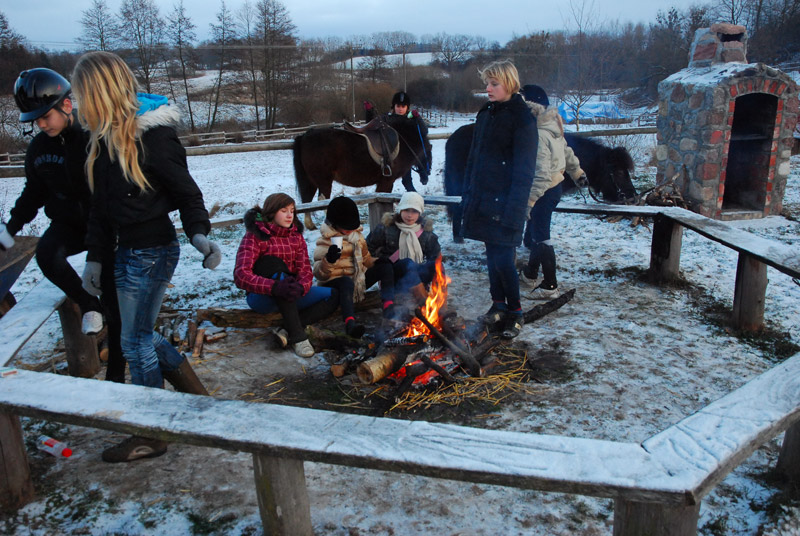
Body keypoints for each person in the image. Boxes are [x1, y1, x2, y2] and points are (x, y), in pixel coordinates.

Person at [72, 51, 219, 463]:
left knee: (133, 341)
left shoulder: (152, 137)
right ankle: (197, 399)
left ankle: (151, 432)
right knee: (139, 335)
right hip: (123, 251)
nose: (79, 103)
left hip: (151, 251)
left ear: (99, 91)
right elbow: (101, 210)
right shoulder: (102, 140)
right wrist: (94, 260)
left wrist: (199, 235)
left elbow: (188, 193)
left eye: (82, 93)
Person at [2, 67, 127, 383]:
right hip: (68, 224)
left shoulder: (92, 141)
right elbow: (33, 193)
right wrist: (10, 229)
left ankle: (115, 374)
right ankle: (87, 304)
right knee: (46, 254)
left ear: (66, 105)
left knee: (112, 298)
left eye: (46, 116)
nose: (41, 124)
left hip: (103, 227)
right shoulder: (39, 150)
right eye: (36, 120)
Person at [460, 60, 538, 339]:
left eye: (494, 83)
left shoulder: (522, 118)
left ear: (509, 83)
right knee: (492, 257)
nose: (488, 89)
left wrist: (514, 211)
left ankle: (515, 312)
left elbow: (525, 171)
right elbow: (474, 159)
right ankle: (498, 305)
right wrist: (468, 195)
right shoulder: (486, 113)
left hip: (506, 203)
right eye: (486, 84)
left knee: (505, 259)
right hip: (482, 201)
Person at [233, 193, 339, 358]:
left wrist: (300, 287)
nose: (290, 215)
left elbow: (305, 270)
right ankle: (299, 337)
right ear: (271, 212)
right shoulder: (255, 236)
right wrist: (274, 287)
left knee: (332, 295)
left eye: (292, 211)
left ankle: (287, 328)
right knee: (274, 266)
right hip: (262, 298)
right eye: (284, 210)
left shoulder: (296, 237)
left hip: (290, 294)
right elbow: (240, 275)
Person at [519, 84, 586, 300]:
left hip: (544, 191)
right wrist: (577, 173)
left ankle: (550, 286)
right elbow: (567, 152)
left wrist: (529, 201)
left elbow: (541, 174)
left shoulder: (539, 133)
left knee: (542, 237)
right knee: (538, 232)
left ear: (531, 107)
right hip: (553, 189)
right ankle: (530, 274)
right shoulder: (551, 125)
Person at [312, 196, 397, 337]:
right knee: (345, 281)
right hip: (335, 286)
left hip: (356, 282)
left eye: (351, 227)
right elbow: (319, 274)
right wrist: (329, 260)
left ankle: (389, 307)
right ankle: (350, 324)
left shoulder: (357, 237)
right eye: (345, 228)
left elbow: (365, 259)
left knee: (385, 267)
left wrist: (377, 261)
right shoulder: (325, 241)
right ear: (334, 224)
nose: (349, 231)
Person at [366, 191, 441, 307]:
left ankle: (441, 304)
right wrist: (380, 264)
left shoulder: (426, 234)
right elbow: (367, 248)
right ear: (400, 209)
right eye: (406, 210)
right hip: (393, 275)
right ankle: (425, 304)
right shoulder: (386, 228)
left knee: (437, 266)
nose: (410, 215)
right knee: (407, 263)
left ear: (420, 212)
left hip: (417, 275)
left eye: (414, 211)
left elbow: (435, 257)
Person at [386, 91, 430, 192]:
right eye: (398, 106)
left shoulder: (411, 120)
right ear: (394, 106)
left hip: (407, 154)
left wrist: (418, 118)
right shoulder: (388, 119)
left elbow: (424, 132)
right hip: (391, 153)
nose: (400, 109)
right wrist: (369, 112)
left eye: (403, 106)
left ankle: (423, 171)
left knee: (423, 146)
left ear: (407, 107)